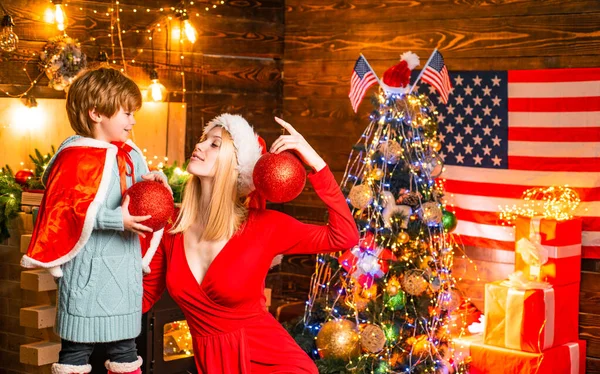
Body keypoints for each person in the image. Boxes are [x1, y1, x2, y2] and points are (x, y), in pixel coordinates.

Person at [142, 113, 359, 373]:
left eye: (214, 144)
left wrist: (317, 163)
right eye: (203, 140)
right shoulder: (171, 225)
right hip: (213, 363)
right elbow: (143, 298)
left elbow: (344, 236)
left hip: (272, 361)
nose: (198, 146)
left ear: (236, 166)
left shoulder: (265, 226)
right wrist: (149, 204)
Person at [21, 67, 168, 374]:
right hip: (87, 278)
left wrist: (154, 184)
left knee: (127, 352)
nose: (134, 121)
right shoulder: (74, 156)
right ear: (96, 112)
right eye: (127, 113)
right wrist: (117, 219)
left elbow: (142, 197)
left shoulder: (131, 154)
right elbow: (64, 208)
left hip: (125, 278)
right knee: (75, 352)